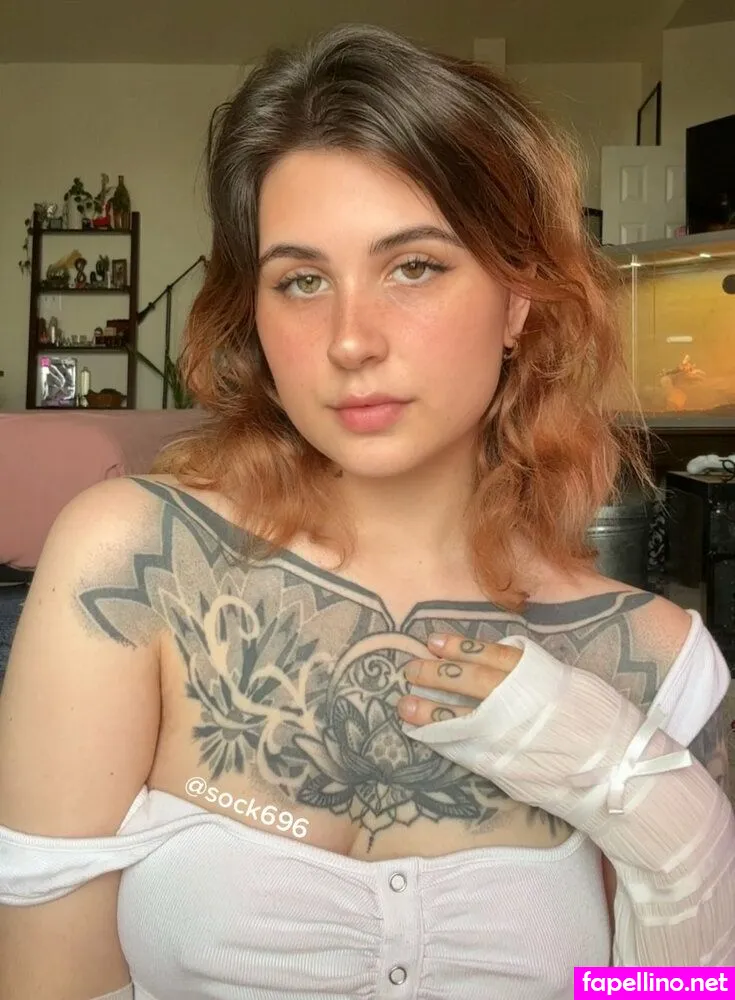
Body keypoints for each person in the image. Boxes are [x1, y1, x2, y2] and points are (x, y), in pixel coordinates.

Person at [0, 22, 732, 1000]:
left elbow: (676, 991)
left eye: (414, 265)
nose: (350, 340)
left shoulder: (653, 657)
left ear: (518, 299)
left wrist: (658, 811)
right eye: (301, 280)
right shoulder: (135, 562)